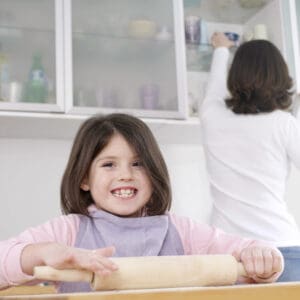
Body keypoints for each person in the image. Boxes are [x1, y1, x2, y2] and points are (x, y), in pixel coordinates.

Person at [0, 113, 283, 293]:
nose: (125, 174)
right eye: (109, 164)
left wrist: (265, 257)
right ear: (84, 178)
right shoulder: (68, 232)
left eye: (138, 163)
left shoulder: (180, 231)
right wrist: (40, 254)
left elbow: (248, 255)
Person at [200, 32, 300, 282]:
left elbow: (214, 87)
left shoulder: (212, 117)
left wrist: (221, 49)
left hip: (228, 251)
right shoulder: (284, 124)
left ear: (235, 77)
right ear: (280, 77)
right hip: (282, 248)